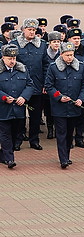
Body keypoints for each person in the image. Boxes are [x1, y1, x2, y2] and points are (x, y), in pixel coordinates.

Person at [45, 42, 84, 169]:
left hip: (74, 106)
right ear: (61, 54)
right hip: (59, 107)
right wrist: (59, 97)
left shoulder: (80, 66)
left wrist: (81, 99)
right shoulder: (53, 67)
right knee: (61, 133)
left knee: (70, 133)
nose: (70, 57)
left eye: (72, 55)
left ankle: (67, 155)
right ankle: (63, 159)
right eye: (67, 55)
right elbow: (49, 86)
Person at [10, 18, 49, 151]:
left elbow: (46, 65)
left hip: (37, 85)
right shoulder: (15, 44)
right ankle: (18, 140)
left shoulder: (42, 45)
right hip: (19, 86)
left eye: (34, 30)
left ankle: (34, 140)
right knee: (19, 115)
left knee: (36, 116)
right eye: (29, 30)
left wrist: (45, 83)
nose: (32, 32)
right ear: (23, 30)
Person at [0, 44, 34, 168]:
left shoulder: (22, 69)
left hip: (18, 109)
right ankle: (10, 159)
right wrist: (3, 97)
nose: (12, 61)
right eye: (10, 58)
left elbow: (30, 85)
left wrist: (24, 97)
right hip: (3, 110)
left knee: (15, 134)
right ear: (3, 58)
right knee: (5, 134)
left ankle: (4, 154)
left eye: (14, 58)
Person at [44, 31, 62, 140]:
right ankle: (50, 128)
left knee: (58, 107)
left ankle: (57, 129)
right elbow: (42, 69)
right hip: (49, 84)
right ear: (49, 43)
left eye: (58, 41)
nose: (56, 44)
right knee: (48, 108)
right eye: (54, 42)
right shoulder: (45, 53)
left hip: (60, 84)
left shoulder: (62, 53)